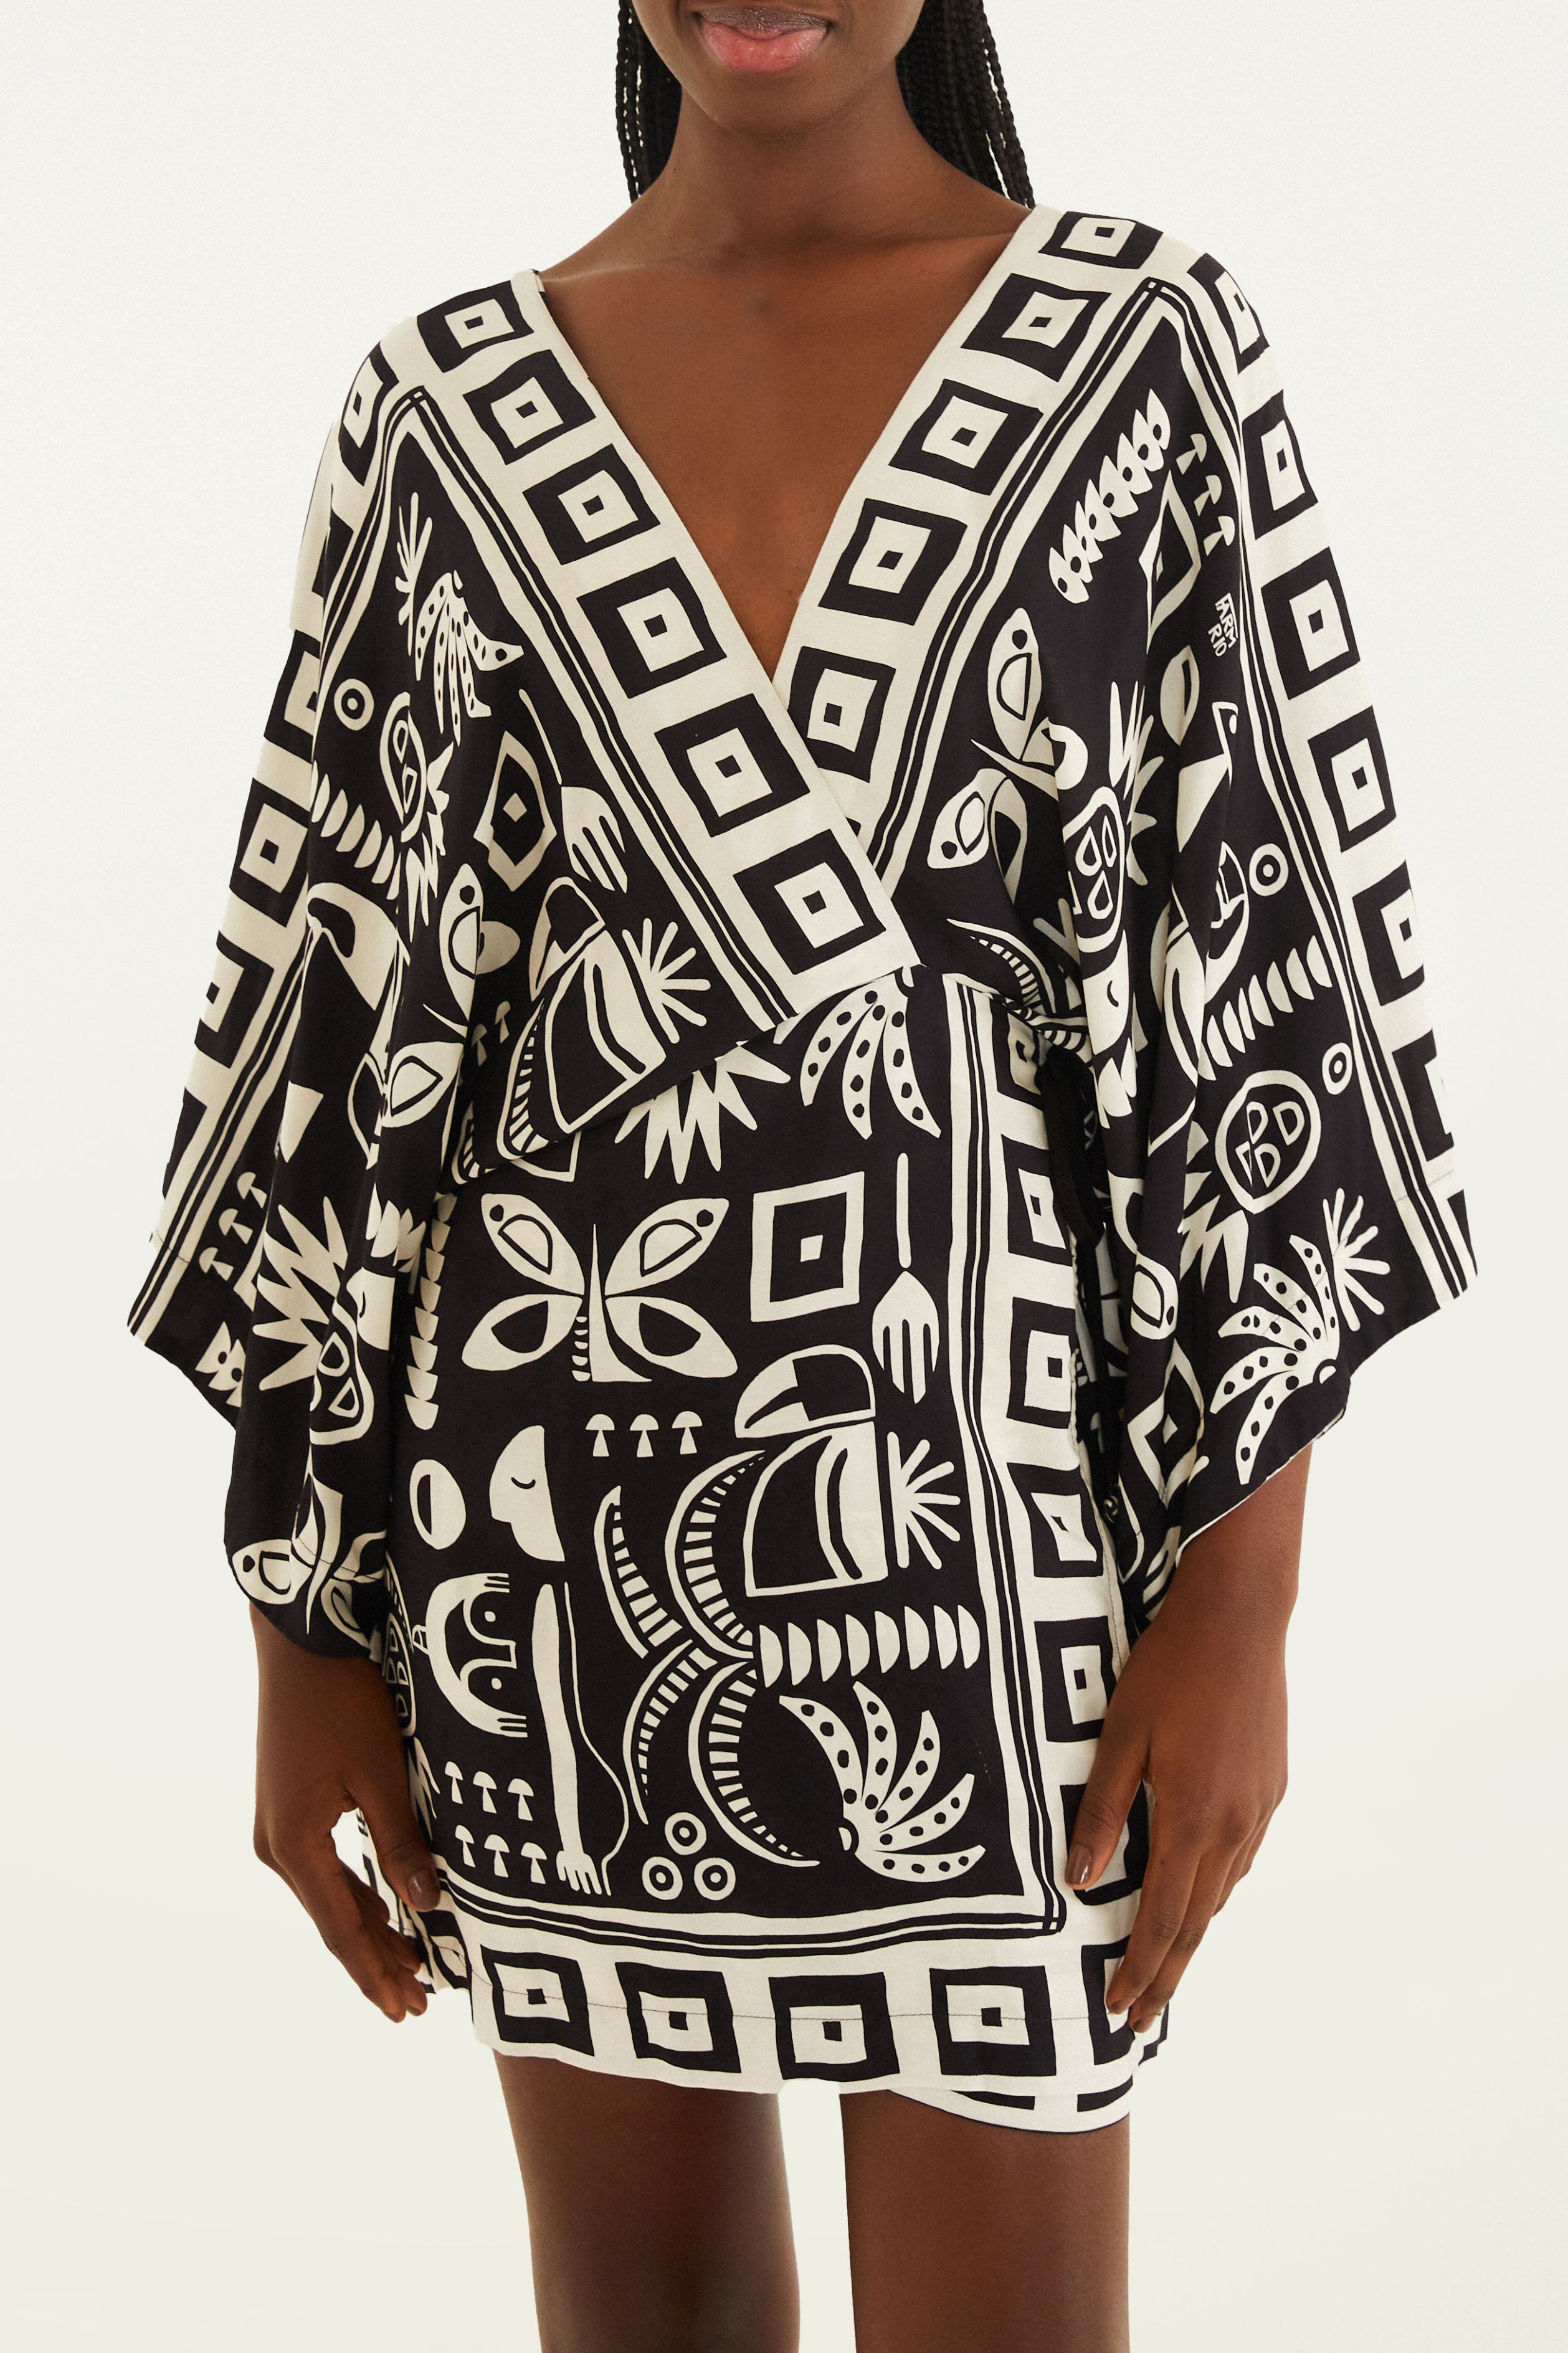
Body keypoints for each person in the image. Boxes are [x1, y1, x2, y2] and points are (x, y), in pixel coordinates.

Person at [130, 5, 1471, 2346]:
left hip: (996, 1557)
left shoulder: (1147, 354)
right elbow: (336, 1052)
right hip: (538, 1562)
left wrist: (1242, 1600)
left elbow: (1254, 971)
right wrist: (303, 1626)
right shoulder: (440, 412)